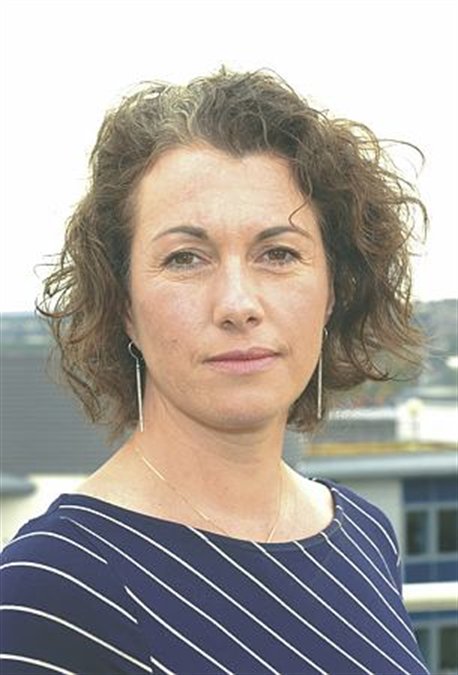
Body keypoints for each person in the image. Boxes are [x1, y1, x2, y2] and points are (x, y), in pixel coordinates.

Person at [0, 67, 430, 674]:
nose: (237, 304)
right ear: (123, 305)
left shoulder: (364, 535)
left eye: (278, 253)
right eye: (186, 258)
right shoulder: (50, 588)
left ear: (334, 290)